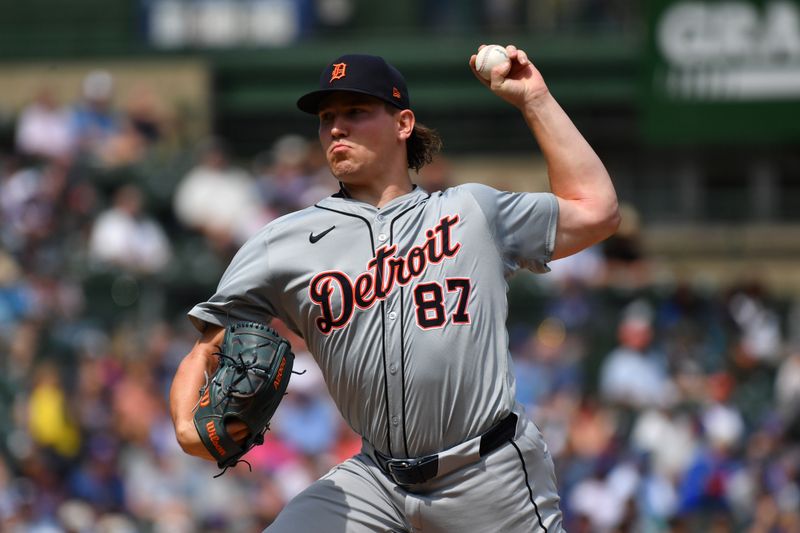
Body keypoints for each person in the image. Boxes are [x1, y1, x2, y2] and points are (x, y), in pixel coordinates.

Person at [170, 45, 620, 532]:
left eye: (356, 112)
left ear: (403, 123)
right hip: (375, 483)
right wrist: (185, 428)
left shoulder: (471, 212)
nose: (336, 127)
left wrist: (535, 99)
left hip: (487, 476)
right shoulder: (284, 241)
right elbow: (207, 343)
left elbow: (596, 211)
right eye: (326, 117)